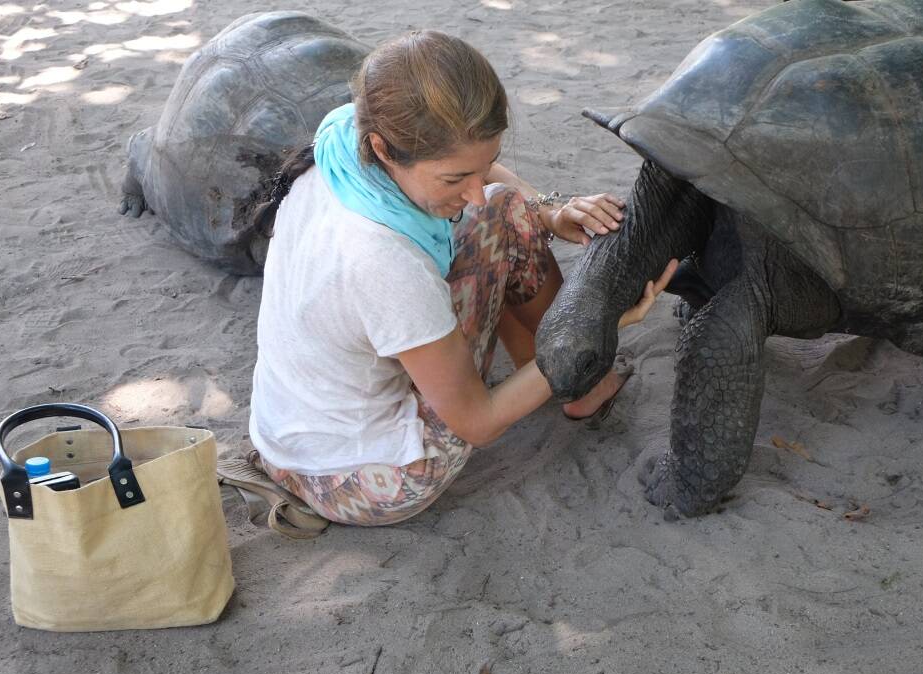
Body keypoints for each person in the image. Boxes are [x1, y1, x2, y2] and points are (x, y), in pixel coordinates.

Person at [245, 30, 676, 526]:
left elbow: (483, 182)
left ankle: (573, 382)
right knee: (504, 217)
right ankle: (581, 377)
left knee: (507, 209)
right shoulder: (384, 260)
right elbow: (480, 422)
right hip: (363, 479)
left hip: (286, 434)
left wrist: (550, 212)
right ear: (386, 149)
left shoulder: (346, 137)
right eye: (454, 179)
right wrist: (596, 326)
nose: (474, 192)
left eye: (486, 164)